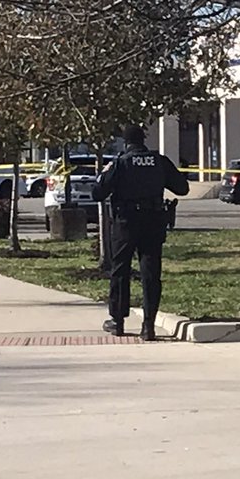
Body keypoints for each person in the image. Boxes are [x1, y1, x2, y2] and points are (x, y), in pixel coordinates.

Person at [91, 124, 189, 340]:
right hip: (153, 220)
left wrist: (105, 173)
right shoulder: (159, 161)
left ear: (126, 143)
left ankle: (117, 321)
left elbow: (97, 193)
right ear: (143, 141)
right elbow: (183, 188)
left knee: (120, 270)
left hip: (126, 222)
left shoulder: (120, 163)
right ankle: (149, 325)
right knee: (151, 273)